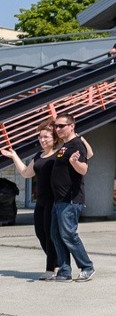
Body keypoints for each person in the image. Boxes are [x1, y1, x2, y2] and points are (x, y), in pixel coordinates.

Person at [2, 119, 61, 279]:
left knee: (50, 234)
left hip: (54, 201)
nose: (42, 140)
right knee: (40, 233)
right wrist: (14, 156)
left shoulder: (59, 155)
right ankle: (57, 263)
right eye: (40, 137)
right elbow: (26, 173)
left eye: (46, 137)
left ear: (54, 139)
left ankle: (50, 269)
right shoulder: (38, 156)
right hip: (40, 202)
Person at [49, 113, 95, 282]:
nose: (58, 129)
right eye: (56, 126)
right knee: (55, 234)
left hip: (70, 200)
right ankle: (64, 271)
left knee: (68, 234)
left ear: (71, 126)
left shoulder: (76, 145)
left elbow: (83, 169)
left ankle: (87, 267)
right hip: (59, 200)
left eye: (61, 126)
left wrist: (75, 163)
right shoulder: (65, 146)